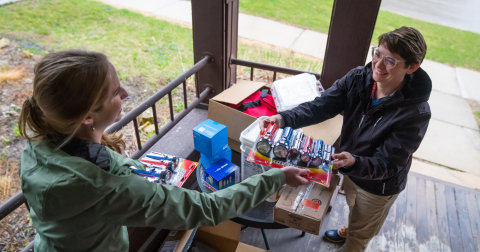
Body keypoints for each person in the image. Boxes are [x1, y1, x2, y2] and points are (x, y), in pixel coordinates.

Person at [18, 49, 310, 252]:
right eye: (114, 93)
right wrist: (276, 178)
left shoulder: (37, 145)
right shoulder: (107, 188)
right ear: (87, 117)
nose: (125, 95)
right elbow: (208, 209)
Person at [260, 27, 431, 252]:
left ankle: (353, 238)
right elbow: (321, 106)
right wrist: (283, 118)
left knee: (361, 231)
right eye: (377, 54)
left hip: (378, 184)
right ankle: (350, 228)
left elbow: (389, 164)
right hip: (350, 166)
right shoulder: (359, 78)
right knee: (353, 205)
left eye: (390, 61)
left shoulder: (416, 112)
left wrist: (354, 162)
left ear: (412, 67)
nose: (377, 66)